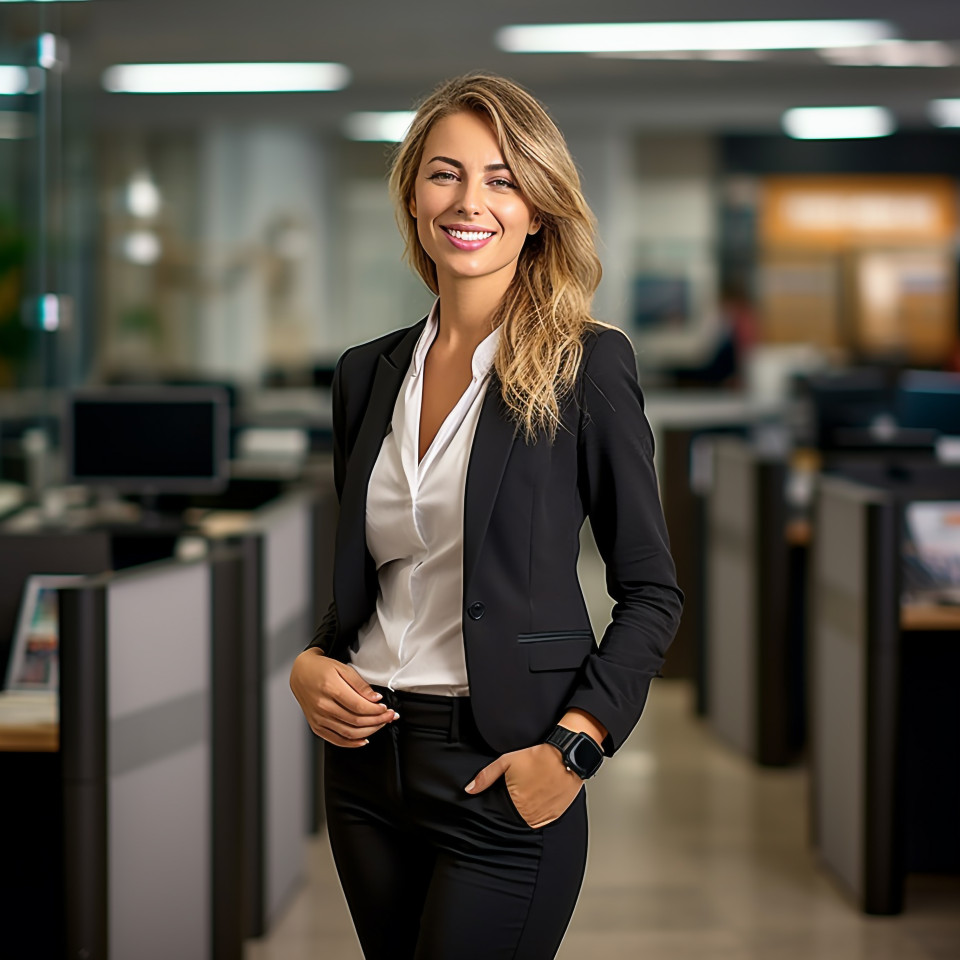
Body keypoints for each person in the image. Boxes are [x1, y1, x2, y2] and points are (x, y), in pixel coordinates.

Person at [290, 74, 683, 960]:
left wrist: (575, 749)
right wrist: (313, 662)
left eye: (502, 178)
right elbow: (376, 572)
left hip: (503, 765)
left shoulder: (587, 365)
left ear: (538, 208)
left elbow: (652, 593)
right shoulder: (366, 373)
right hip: (365, 767)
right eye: (445, 174)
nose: (471, 202)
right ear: (412, 196)